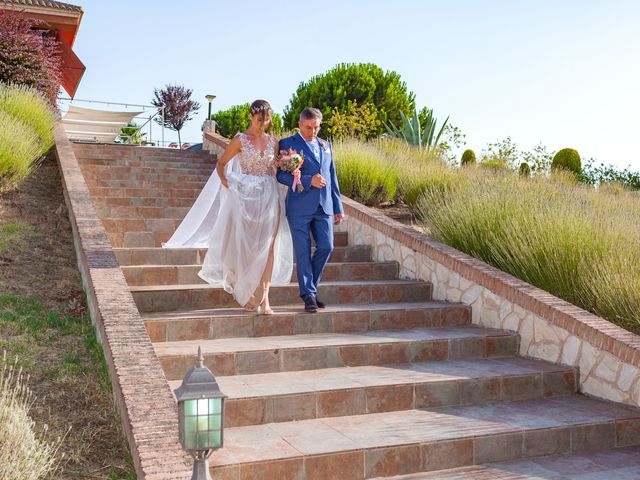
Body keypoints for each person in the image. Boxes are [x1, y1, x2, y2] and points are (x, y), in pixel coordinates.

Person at [163, 100, 292, 315]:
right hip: (245, 199)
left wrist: (284, 165)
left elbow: (272, 171)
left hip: (269, 197)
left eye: (267, 119)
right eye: (260, 119)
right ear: (251, 116)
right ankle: (248, 292)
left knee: (269, 246)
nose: (264, 123)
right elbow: (221, 163)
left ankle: (266, 299)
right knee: (246, 246)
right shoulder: (240, 140)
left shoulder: (274, 142)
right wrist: (227, 183)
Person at [276, 108, 344, 313]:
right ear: (299, 124)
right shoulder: (287, 144)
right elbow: (281, 176)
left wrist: (338, 206)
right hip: (299, 208)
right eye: (308, 127)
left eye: (316, 127)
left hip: (324, 207)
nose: (312, 131)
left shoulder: (326, 145)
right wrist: (307, 180)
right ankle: (308, 296)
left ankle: (310, 289)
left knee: (327, 246)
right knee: (303, 251)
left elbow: (332, 177)